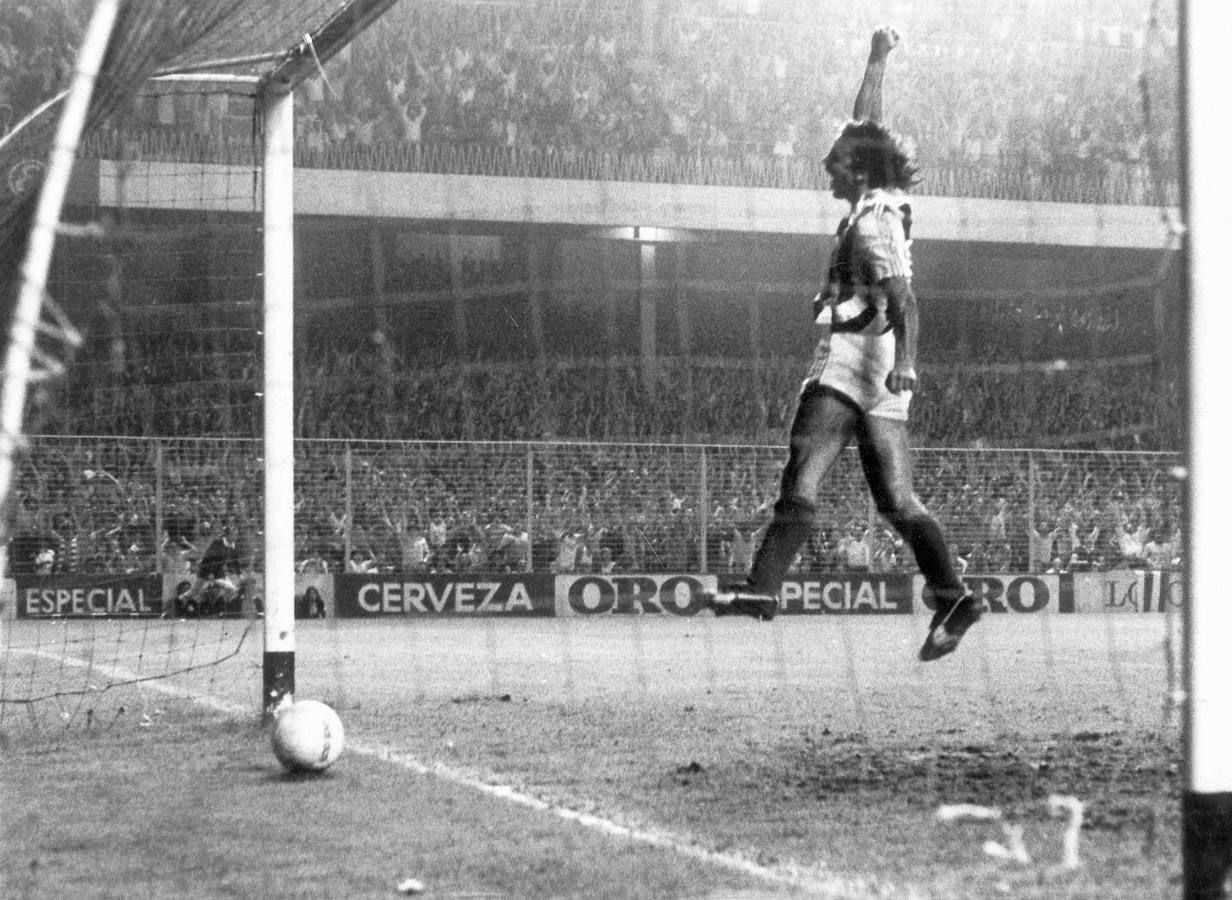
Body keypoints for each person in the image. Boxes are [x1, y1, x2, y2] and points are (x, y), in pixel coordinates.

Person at [698, 27, 986, 662]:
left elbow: (904, 297)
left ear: (853, 170)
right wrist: (876, 61)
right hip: (877, 370)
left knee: (802, 475)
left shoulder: (874, 223)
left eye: (834, 161)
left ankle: (762, 590)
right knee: (899, 502)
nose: (827, 167)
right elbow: (867, 124)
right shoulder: (881, 200)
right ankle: (955, 596)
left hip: (856, 363)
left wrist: (906, 361)